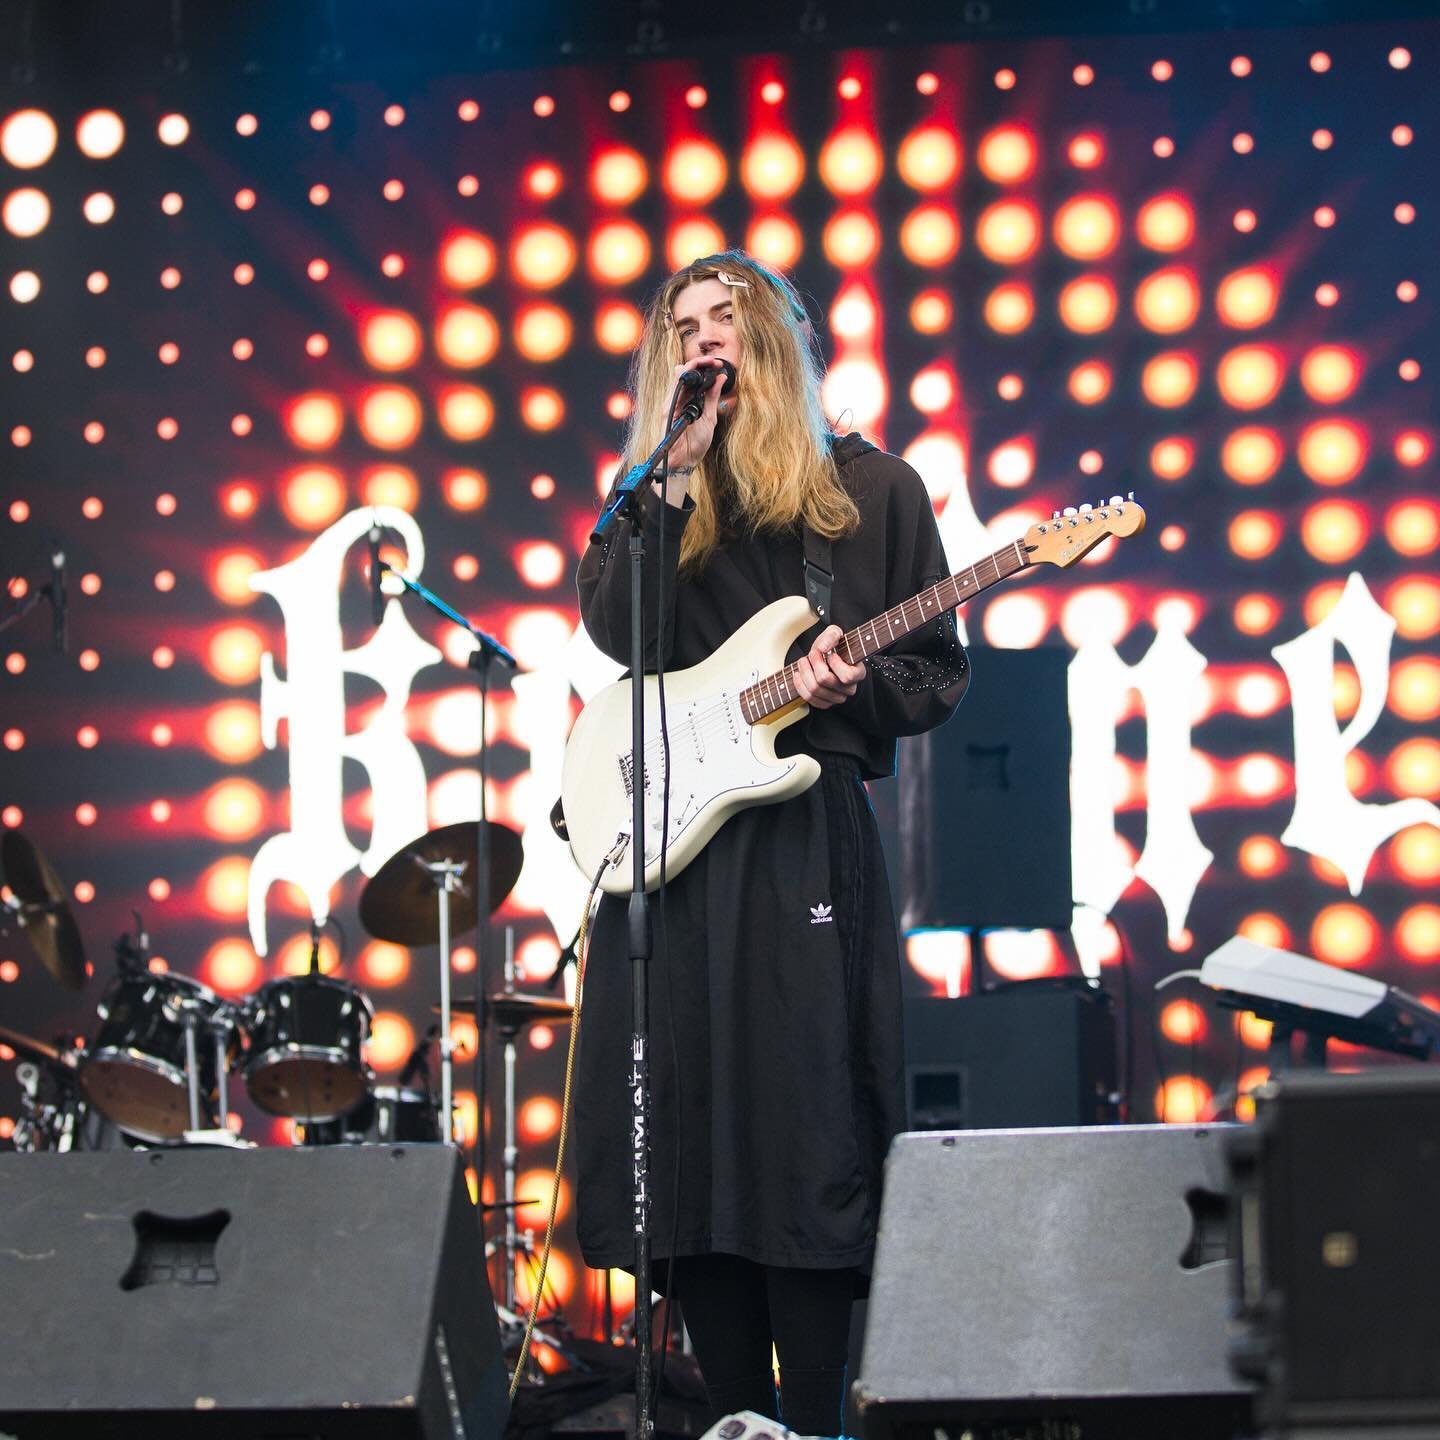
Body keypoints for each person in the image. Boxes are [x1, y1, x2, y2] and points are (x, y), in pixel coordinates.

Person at [574, 250, 969, 1437]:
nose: (705, 341)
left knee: (804, 1135)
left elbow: (935, 671)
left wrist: (850, 680)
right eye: (683, 326)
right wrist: (669, 486)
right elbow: (610, 632)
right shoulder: (660, 500)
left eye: (727, 320)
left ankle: (819, 1423)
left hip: (803, 841)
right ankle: (732, 1419)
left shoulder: (875, 491)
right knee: (688, 1141)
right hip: (678, 861)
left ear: (782, 339)